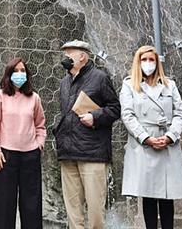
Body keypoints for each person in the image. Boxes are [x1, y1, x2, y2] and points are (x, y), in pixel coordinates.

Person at [119, 45, 182, 229]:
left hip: (167, 142)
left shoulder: (169, 84)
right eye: (144, 60)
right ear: (138, 62)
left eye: (152, 60)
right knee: (148, 194)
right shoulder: (129, 85)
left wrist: (170, 136)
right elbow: (127, 115)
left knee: (167, 195)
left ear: (157, 62)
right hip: (144, 145)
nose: (148, 63)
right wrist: (145, 138)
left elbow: (180, 114)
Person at [53, 40, 121, 229]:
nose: (64, 57)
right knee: (73, 210)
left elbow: (115, 109)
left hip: (93, 153)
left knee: (95, 209)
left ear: (82, 56)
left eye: (69, 53)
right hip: (68, 153)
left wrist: (95, 116)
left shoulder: (100, 77)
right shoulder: (64, 82)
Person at [0, 57, 46, 229]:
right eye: (16, 71)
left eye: (23, 71)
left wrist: (39, 144)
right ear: (9, 74)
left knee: (32, 204)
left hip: (30, 155)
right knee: (4, 204)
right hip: (6, 155)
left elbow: (40, 125)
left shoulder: (34, 98)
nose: (20, 74)